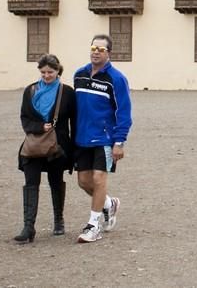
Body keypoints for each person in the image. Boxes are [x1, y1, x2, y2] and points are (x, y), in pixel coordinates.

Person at [73, 34, 132, 243]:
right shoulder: (79, 75)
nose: (96, 52)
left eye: (101, 49)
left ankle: (93, 225)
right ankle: (109, 204)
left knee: (99, 179)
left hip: (104, 138)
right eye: (93, 48)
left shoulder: (116, 79)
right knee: (83, 182)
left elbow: (124, 113)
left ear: (109, 53)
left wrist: (119, 142)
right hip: (81, 138)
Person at [14, 54, 76, 243]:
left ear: (58, 71)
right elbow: (25, 117)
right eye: (43, 72)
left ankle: (58, 220)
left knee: (56, 181)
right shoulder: (30, 91)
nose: (47, 75)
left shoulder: (67, 92)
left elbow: (75, 121)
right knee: (31, 183)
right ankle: (28, 227)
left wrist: (74, 150)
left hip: (58, 147)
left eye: (50, 72)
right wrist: (39, 127)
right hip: (34, 145)